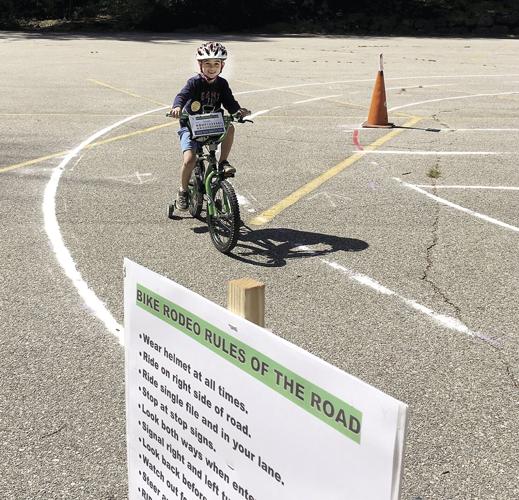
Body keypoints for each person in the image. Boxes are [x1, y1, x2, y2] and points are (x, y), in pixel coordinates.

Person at [169, 41, 250, 210]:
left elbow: (230, 102)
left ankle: (223, 162)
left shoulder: (222, 84)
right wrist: (177, 107)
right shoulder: (194, 83)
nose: (211, 68)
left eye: (216, 64)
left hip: (212, 125)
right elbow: (182, 96)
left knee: (230, 127)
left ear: (222, 65)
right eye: (207, 64)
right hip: (191, 126)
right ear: (200, 65)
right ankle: (183, 191)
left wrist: (237, 112)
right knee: (190, 159)